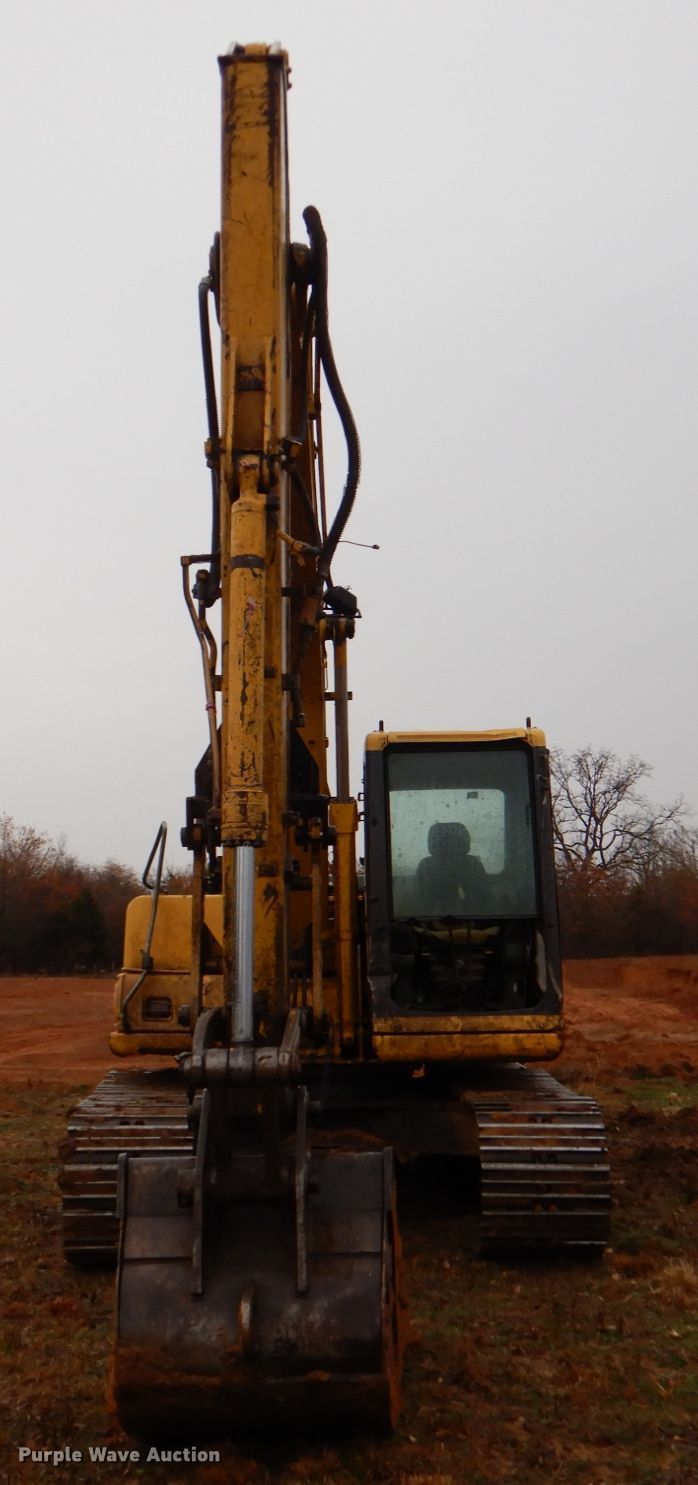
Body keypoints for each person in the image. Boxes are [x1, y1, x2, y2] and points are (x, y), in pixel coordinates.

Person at [415, 821, 488, 916]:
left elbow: (421, 902)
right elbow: (485, 901)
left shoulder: (425, 865)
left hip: (435, 920)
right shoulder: (473, 863)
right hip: (470, 920)